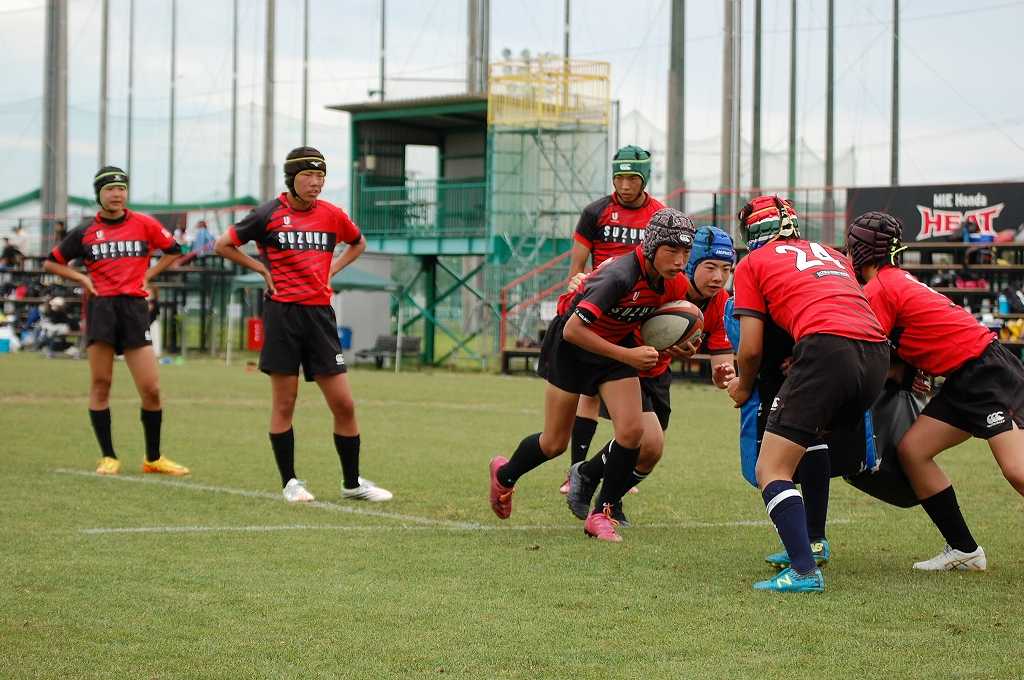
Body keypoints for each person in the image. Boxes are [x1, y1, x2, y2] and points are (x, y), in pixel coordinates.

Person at [488, 208, 695, 543]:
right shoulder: (619, 276)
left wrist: (676, 345)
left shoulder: (675, 283)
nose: (680, 260)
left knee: (632, 433)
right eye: (671, 250)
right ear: (652, 246)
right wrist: (629, 355)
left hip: (614, 347)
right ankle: (505, 474)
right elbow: (572, 330)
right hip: (572, 348)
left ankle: (601, 514)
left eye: (686, 251)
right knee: (554, 443)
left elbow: (656, 325)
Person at [727, 195, 889, 593]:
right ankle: (814, 540)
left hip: (827, 349)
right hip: (876, 355)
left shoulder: (752, 263)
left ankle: (803, 571)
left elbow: (751, 348)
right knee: (810, 437)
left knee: (771, 469)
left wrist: (742, 385)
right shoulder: (832, 254)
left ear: (752, 231)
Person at [847, 210, 1024, 571]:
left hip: (985, 374)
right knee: (913, 450)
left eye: (851, 249)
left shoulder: (879, 288)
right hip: (963, 379)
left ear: (861, 251)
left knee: (1017, 471)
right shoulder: (894, 279)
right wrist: (910, 368)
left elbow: (865, 352)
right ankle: (964, 549)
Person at [214, 146, 392, 504]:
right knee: (285, 403)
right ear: (291, 178)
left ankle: (352, 483)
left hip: (320, 316)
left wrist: (332, 270)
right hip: (283, 315)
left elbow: (357, 243)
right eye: (308, 175)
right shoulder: (267, 214)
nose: (315, 183)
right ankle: (290, 483)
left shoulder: (332, 215)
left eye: (320, 176)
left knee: (344, 404)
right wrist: (261, 269)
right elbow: (223, 244)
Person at [566, 226, 738, 526]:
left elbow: (721, 365)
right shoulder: (665, 284)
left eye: (726, 269)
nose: (718, 277)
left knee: (649, 454)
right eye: (710, 267)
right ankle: (604, 504)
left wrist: (725, 373)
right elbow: (617, 288)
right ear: (690, 263)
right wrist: (584, 281)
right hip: (624, 366)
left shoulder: (722, 302)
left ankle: (593, 480)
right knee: (646, 440)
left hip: (658, 372)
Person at [43, 166, 189, 476]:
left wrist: (148, 275)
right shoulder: (85, 231)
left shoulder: (144, 223)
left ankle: (153, 458)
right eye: (109, 189)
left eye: (121, 188)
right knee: (101, 383)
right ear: (99, 194)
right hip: (101, 309)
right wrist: (82, 279)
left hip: (134, 308)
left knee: (151, 388)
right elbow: (52, 263)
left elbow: (174, 251)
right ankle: (108, 456)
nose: (116, 194)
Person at [560, 145, 667, 494]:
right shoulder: (595, 212)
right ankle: (575, 471)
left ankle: (618, 466)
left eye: (632, 178)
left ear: (644, 179)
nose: (624, 185)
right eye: (618, 177)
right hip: (603, 306)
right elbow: (577, 267)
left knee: (636, 397)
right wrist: (575, 285)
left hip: (641, 309)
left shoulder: (659, 215)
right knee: (589, 392)